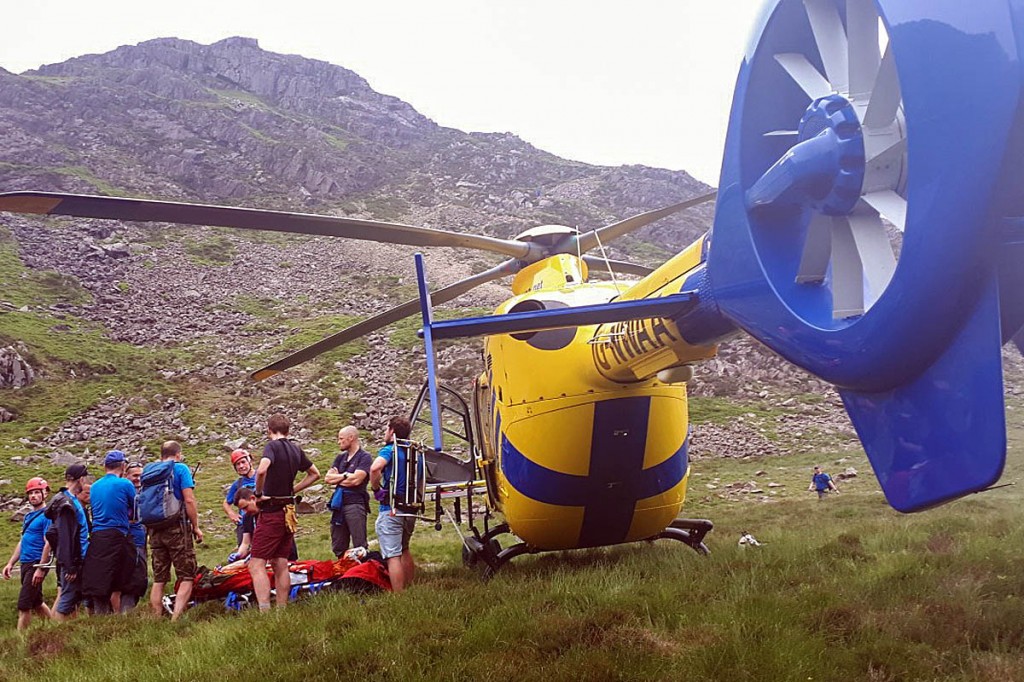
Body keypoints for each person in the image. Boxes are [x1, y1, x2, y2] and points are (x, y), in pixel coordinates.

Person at [249, 413, 320, 611]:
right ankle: (282, 609)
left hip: (271, 512)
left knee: (256, 563)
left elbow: (262, 470)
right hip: (288, 512)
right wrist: (292, 490)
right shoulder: (295, 449)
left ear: (269, 430)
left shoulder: (271, 447)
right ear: (288, 431)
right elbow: (315, 474)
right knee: (280, 561)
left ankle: (264, 610)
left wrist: (258, 493)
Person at [148, 441, 203, 621]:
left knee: (159, 579)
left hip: (155, 530)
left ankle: (156, 618)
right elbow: (189, 500)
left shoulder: (150, 470)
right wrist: (195, 527)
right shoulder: (181, 469)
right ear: (178, 454)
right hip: (177, 528)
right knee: (187, 575)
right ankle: (176, 619)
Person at [34, 464, 91, 621]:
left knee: (74, 598)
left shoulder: (66, 500)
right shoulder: (67, 504)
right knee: (67, 600)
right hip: (72, 560)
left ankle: (65, 633)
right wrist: (70, 565)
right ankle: (55, 634)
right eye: (85, 477)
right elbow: (66, 536)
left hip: (75, 558)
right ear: (80, 479)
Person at [82, 451, 136, 615]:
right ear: (123, 466)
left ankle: (101, 616)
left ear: (105, 466)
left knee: (100, 578)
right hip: (118, 535)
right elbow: (135, 511)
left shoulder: (95, 486)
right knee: (126, 577)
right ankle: (124, 615)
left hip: (98, 537)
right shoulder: (125, 484)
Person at [370, 416, 418, 593]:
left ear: (391, 432)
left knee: (392, 555)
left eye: (386, 429)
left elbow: (375, 468)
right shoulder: (414, 453)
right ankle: (410, 587)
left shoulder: (390, 450)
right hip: (410, 509)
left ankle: (399, 596)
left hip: (391, 509)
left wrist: (376, 489)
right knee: (404, 548)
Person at [3, 477, 53, 629]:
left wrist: (41, 567)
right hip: (25, 563)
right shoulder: (28, 516)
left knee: (24, 605)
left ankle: (20, 641)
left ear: (45, 494)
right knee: (37, 602)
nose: (33, 496)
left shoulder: (47, 516)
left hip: (36, 563)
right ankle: (54, 628)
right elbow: (22, 541)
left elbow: (48, 543)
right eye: (31, 493)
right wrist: (11, 563)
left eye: (37, 492)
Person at [325, 426, 372, 557]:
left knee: (359, 544)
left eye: (341, 439)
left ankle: (362, 573)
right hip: (339, 506)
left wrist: (338, 478)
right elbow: (328, 478)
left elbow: (356, 480)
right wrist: (346, 475)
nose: (338, 442)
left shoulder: (364, 457)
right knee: (338, 544)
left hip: (355, 504)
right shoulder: (340, 458)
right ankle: (342, 571)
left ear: (351, 438)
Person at [113, 461, 148, 613]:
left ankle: (125, 614)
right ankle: (125, 615)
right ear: (126, 475)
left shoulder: (146, 493)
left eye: (140, 475)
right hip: (128, 540)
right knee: (131, 578)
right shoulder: (121, 492)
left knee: (137, 578)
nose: (138, 479)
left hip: (140, 539)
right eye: (134, 475)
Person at [222, 449, 257, 546]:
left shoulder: (262, 476)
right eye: (237, 464)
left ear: (249, 461)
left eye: (243, 462)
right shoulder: (237, 484)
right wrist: (231, 514)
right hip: (244, 526)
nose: (241, 466)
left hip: (262, 522)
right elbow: (226, 503)